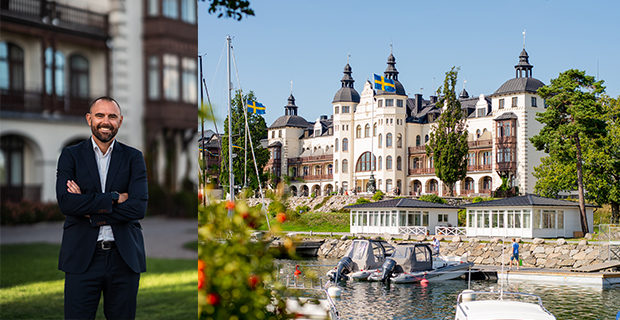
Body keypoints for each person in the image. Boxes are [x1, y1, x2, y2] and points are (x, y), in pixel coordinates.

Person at [56, 96, 148, 320]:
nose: (106, 121)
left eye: (112, 116)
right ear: (89, 119)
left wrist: (89, 208)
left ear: (120, 120)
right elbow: (67, 203)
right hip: (81, 258)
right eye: (100, 115)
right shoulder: (71, 155)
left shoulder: (134, 157)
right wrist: (115, 198)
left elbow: (138, 208)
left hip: (124, 258)